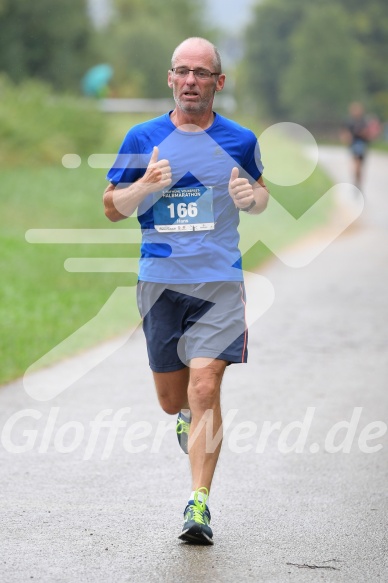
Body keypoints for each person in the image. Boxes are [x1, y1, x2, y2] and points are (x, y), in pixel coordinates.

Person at [103, 37, 269, 545]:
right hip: (160, 285)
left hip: (219, 282)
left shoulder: (240, 139)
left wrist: (252, 196)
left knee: (206, 388)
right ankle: (184, 419)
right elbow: (112, 205)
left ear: (219, 82)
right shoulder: (142, 136)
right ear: (171, 79)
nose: (191, 81)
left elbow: (260, 195)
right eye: (183, 71)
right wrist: (144, 187)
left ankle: (198, 502)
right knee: (173, 397)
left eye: (202, 72)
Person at [341, 101, 379, 190]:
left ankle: (358, 182)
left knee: (360, 165)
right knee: (356, 164)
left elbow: (370, 132)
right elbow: (344, 132)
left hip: (363, 144)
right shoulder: (349, 121)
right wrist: (346, 138)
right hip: (354, 144)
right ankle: (356, 181)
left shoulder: (365, 121)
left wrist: (366, 134)